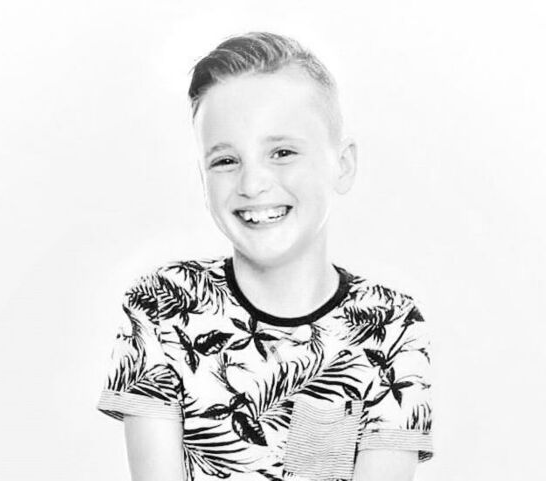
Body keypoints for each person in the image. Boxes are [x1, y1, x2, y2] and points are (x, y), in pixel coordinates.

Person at [96, 31, 434, 481]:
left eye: (282, 152)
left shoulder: (390, 324)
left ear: (343, 164)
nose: (253, 184)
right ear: (202, 176)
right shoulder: (163, 305)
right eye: (225, 160)